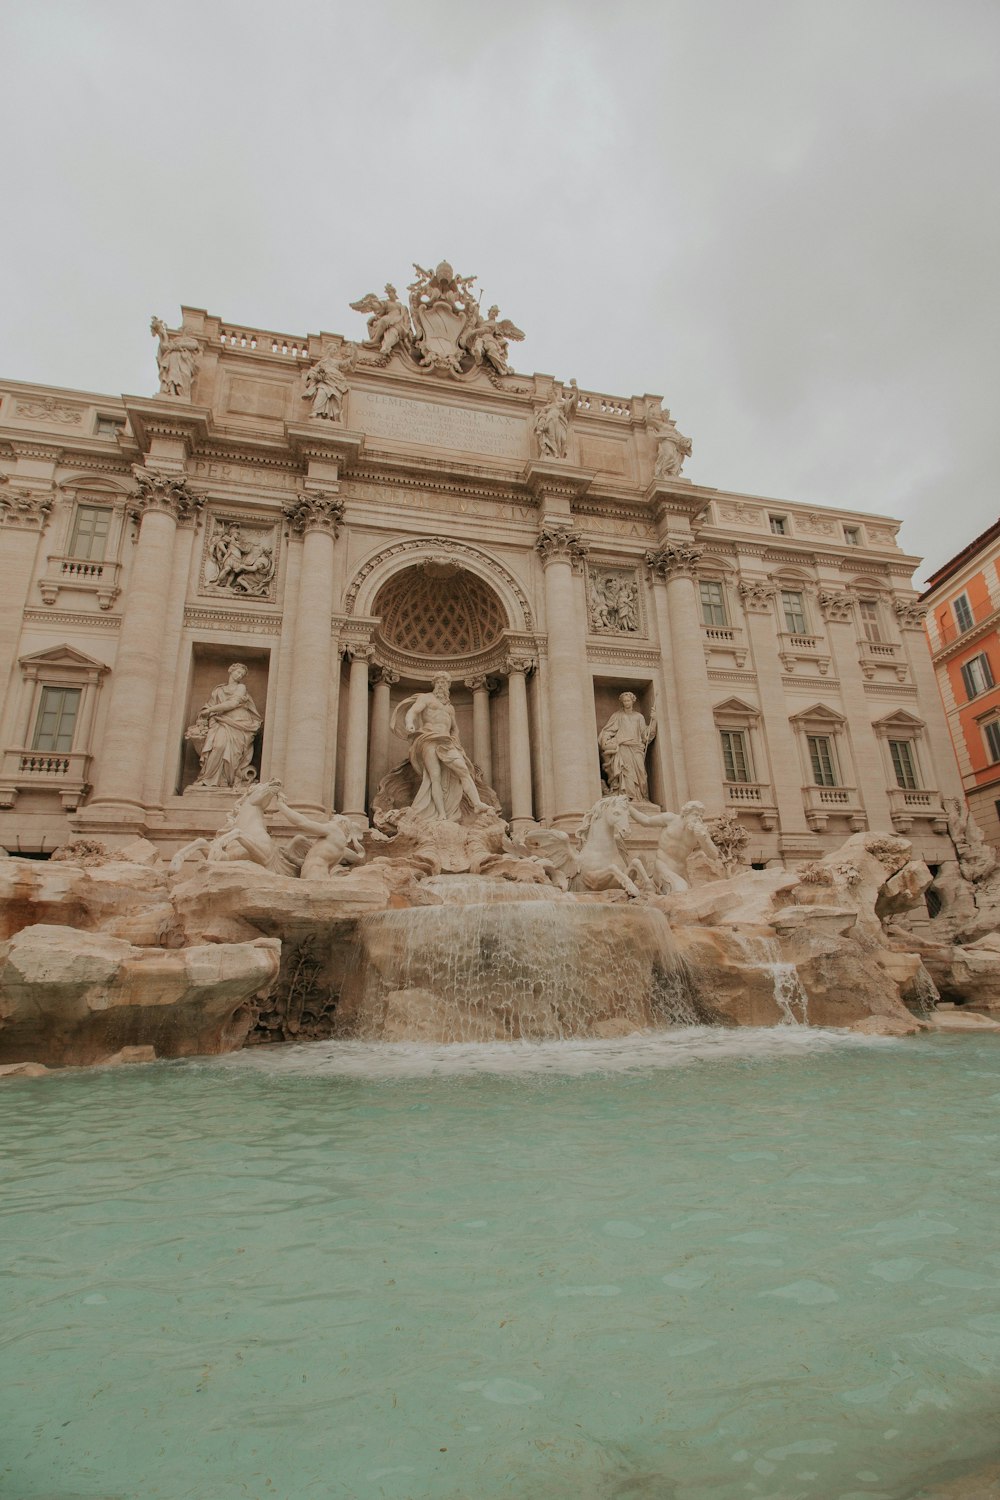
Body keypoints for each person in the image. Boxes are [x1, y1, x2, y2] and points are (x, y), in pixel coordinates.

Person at [394, 672, 492, 823]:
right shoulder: (426, 698)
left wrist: (458, 745)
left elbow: (455, 729)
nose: (441, 685)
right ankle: (441, 814)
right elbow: (412, 711)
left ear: (448, 686)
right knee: (435, 777)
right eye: (439, 682)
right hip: (428, 738)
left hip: (447, 741)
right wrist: (409, 723)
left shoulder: (450, 708)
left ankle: (477, 803)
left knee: (463, 770)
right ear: (434, 684)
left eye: (444, 683)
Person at [186, 663, 262, 788]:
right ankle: (208, 779)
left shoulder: (241, 687)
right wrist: (205, 712)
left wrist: (210, 710)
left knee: (232, 751)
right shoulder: (218, 690)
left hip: (239, 723)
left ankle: (226, 780)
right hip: (220, 721)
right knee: (218, 745)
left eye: (241, 674)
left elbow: (232, 704)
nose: (239, 676)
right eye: (237, 672)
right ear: (230, 671)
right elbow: (209, 705)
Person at [629, 800, 723, 894]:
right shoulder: (670, 819)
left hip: (681, 872)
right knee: (681, 889)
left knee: (689, 894)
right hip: (663, 866)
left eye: (701, 816)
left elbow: (714, 855)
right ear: (685, 813)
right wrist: (627, 807)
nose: (698, 818)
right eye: (695, 814)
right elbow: (645, 820)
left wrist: (703, 839)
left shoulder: (700, 832)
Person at [273, 796, 366, 880]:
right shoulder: (339, 847)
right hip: (318, 875)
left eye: (333, 820)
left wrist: (281, 806)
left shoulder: (334, 830)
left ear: (341, 823)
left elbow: (303, 822)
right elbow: (311, 861)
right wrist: (290, 858)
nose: (329, 823)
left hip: (315, 874)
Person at [598, 692, 656, 801]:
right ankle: (630, 797)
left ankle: (641, 797)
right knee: (627, 772)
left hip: (637, 748)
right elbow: (607, 731)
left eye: (628, 700)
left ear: (633, 701)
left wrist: (654, 721)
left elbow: (646, 736)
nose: (626, 703)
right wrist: (609, 741)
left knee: (641, 774)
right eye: (624, 701)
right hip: (623, 748)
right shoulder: (617, 716)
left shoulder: (639, 717)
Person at [150, 316, 199, 398]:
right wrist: (162, 334)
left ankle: (181, 394)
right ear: (183, 330)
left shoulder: (193, 341)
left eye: (191, 330)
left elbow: (193, 346)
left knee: (185, 375)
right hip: (173, 357)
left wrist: (179, 345)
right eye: (188, 329)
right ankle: (172, 391)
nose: (190, 331)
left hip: (184, 360)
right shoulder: (176, 340)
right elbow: (166, 346)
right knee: (172, 374)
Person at [533, 380, 577, 458]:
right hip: (550, 422)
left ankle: (560, 454)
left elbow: (573, 401)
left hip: (560, 423)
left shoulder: (562, 404)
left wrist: (576, 389)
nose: (550, 395)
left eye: (551, 393)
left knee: (563, 439)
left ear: (555, 394)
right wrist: (540, 424)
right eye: (549, 394)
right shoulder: (546, 407)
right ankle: (555, 453)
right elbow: (541, 416)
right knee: (552, 438)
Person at [302, 354, 349, 421]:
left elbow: (347, 363)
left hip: (335, 382)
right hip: (324, 382)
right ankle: (316, 412)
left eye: (335, 349)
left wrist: (353, 352)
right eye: (332, 349)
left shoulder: (338, 363)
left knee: (334, 398)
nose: (334, 351)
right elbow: (313, 371)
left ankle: (330, 416)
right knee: (321, 393)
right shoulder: (322, 362)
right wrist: (315, 376)